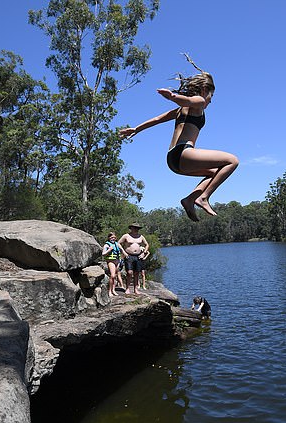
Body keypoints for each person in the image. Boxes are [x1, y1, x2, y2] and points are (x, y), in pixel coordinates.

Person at [118, 54, 239, 222]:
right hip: (184, 153)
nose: (210, 101)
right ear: (205, 91)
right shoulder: (199, 102)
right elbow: (190, 99)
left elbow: (157, 119)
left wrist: (136, 129)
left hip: (173, 161)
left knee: (215, 174)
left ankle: (190, 200)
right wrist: (173, 97)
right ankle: (203, 198)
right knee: (232, 161)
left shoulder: (180, 111)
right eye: (211, 96)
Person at [118, 223, 149, 294]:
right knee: (129, 272)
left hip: (138, 256)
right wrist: (124, 252)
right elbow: (118, 243)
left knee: (137, 273)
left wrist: (144, 253)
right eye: (134, 228)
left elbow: (147, 244)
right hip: (129, 256)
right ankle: (127, 288)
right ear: (131, 228)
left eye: (137, 228)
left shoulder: (141, 236)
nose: (136, 229)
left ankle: (136, 289)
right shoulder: (126, 236)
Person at [102, 232, 127, 297]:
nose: (113, 239)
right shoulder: (107, 245)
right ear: (109, 238)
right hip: (111, 261)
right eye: (111, 237)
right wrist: (109, 250)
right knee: (112, 276)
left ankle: (113, 290)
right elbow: (103, 254)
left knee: (115, 276)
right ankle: (109, 291)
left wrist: (125, 255)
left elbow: (122, 250)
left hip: (117, 261)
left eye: (114, 237)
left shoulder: (117, 244)